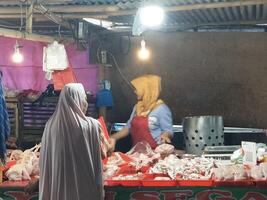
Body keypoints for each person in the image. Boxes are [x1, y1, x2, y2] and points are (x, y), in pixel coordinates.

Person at [38, 83, 104, 200]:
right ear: (79, 100)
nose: (86, 103)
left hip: (58, 190)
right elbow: (103, 154)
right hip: (84, 189)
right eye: (84, 99)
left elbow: (46, 163)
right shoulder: (92, 125)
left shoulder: (50, 125)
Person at [110, 75, 173, 151]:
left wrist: (165, 135)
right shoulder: (137, 107)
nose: (135, 91)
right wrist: (112, 138)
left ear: (146, 90)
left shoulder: (161, 109)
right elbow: (128, 128)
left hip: (155, 153)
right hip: (137, 151)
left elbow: (168, 130)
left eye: (137, 89)